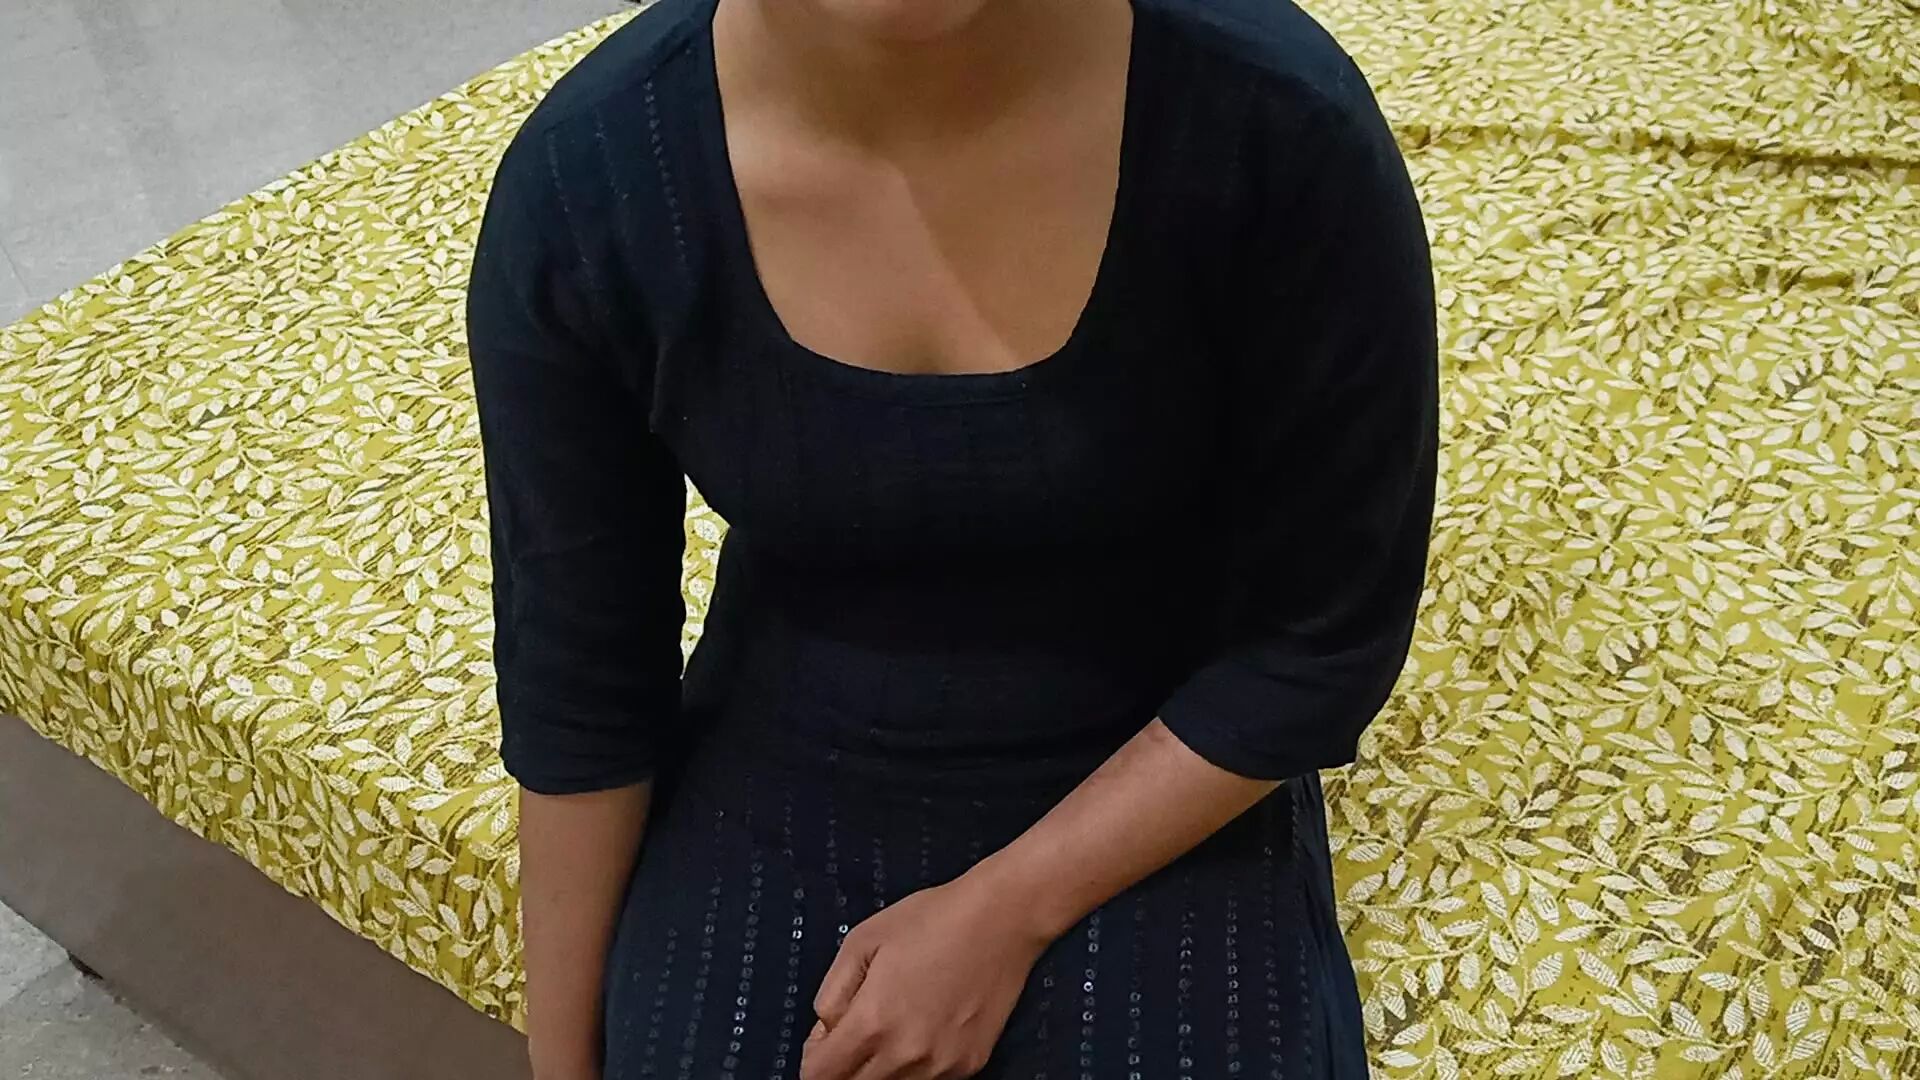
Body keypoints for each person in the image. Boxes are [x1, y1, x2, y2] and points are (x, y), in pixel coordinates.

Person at [465, 0, 1435, 1073]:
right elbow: (582, 682)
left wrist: (1003, 912)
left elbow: (1321, 637)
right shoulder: (591, 178)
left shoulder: (1278, 123)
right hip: (783, 740)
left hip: (1171, 737)